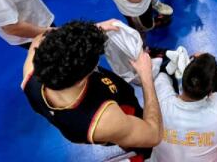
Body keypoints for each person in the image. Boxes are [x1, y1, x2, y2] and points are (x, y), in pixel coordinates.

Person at [22, 20, 163, 151]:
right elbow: (153, 135)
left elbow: (45, 36)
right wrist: (146, 76)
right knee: (141, 147)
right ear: (83, 79)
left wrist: (92, 30)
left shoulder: (31, 70)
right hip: (123, 114)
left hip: (110, 102)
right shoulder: (105, 120)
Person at [150, 53, 217, 162]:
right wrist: (212, 68)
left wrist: (172, 61)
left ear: (182, 78)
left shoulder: (161, 103)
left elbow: (162, 73)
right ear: (210, 92)